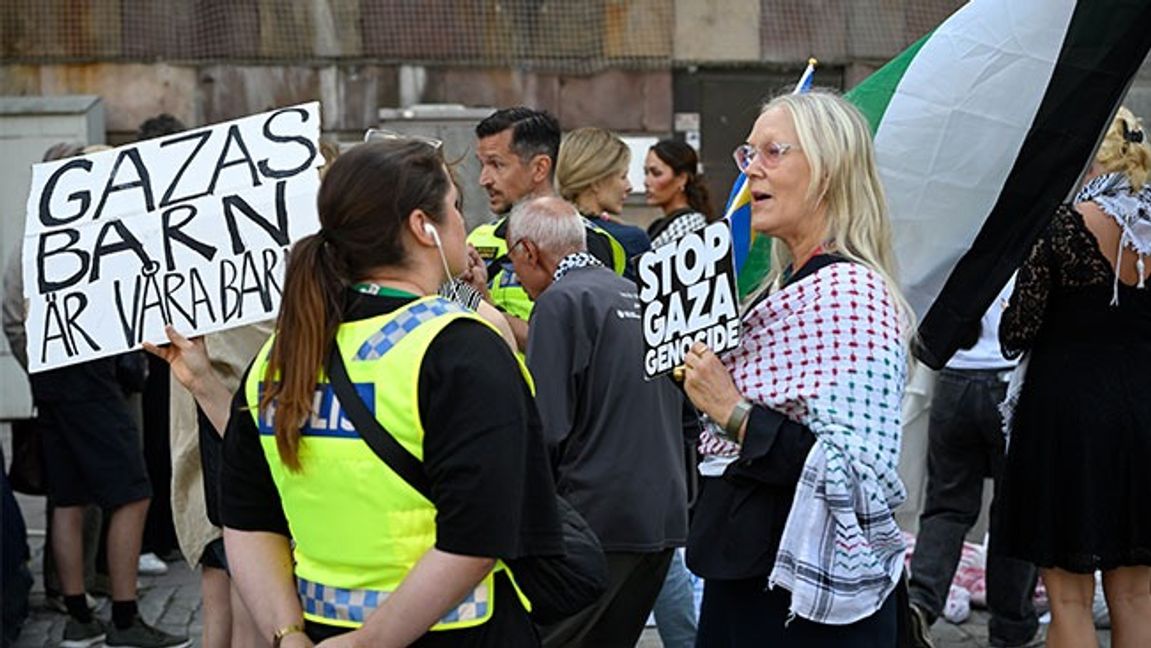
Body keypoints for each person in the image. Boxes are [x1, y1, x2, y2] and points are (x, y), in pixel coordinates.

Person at [149, 138, 562, 647]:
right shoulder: (463, 348)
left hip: (318, 632)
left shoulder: (283, 353)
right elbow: (481, 533)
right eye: (454, 206)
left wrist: (288, 634)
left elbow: (248, 518)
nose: (461, 222)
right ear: (423, 227)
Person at [681, 90, 909, 646]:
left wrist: (733, 411)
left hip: (808, 603)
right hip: (749, 572)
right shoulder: (782, 291)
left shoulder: (852, 296)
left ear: (827, 171)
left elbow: (855, 476)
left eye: (773, 152)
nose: (751, 169)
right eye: (748, 153)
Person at [20, 143, 189, 648]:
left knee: (70, 495)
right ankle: (124, 619)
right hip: (88, 379)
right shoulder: (96, 235)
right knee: (133, 493)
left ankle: (79, 615)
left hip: (55, 375)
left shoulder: (42, 236)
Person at [995, 106, 1151, 648]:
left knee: (1068, 601)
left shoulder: (1064, 224)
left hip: (1067, 420)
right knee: (1137, 597)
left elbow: (1017, 330)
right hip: (1143, 417)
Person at [506, 196, 689, 647]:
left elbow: (548, 426)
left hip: (598, 516)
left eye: (513, 264)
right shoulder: (639, 294)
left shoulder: (560, 302)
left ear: (529, 251)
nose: (517, 279)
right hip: (664, 515)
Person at [906, 281, 1040, 648]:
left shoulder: (960, 248)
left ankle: (920, 603)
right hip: (1013, 378)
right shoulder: (1034, 247)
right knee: (1015, 514)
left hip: (955, 376)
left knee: (945, 507)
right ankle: (1011, 626)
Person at [466, 107, 626, 349]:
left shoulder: (583, 240)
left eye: (497, 165)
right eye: (482, 165)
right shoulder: (479, 238)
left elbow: (572, 344)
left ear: (540, 168)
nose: (484, 179)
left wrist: (483, 306)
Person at [555, 126, 652, 276]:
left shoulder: (545, 233)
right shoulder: (630, 239)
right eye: (623, 176)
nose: (629, 187)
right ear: (596, 182)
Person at [644, 139, 716, 248]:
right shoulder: (661, 226)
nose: (646, 182)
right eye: (646, 173)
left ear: (682, 179)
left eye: (656, 173)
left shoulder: (689, 226)